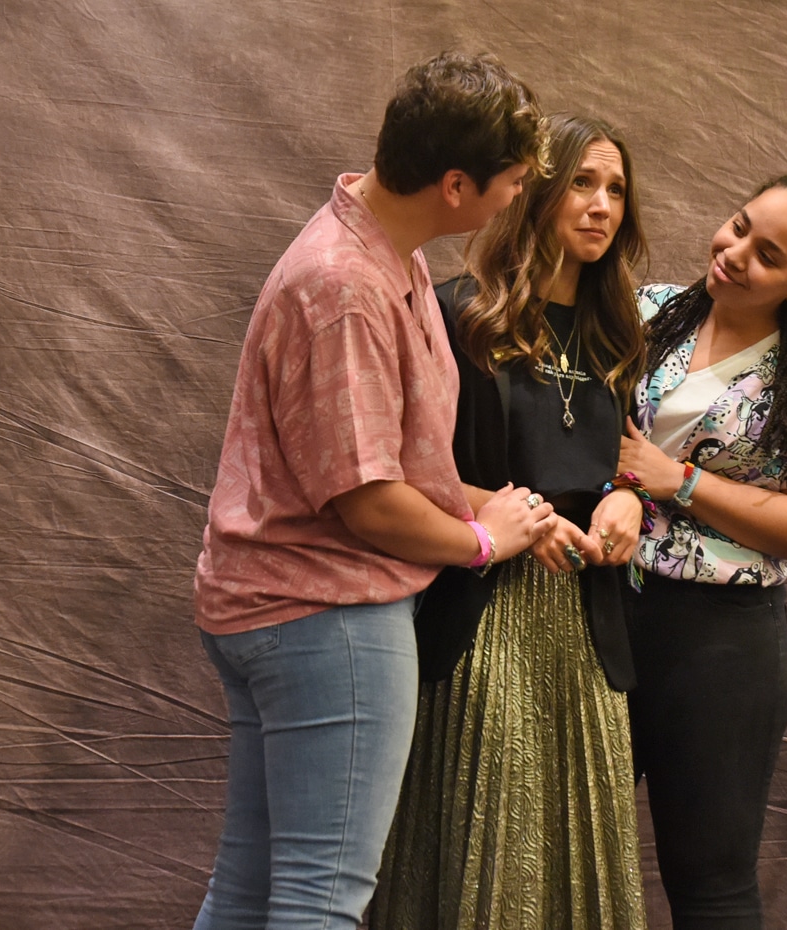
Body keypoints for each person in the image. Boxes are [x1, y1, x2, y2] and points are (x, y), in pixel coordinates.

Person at [190, 53, 554, 930]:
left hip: (278, 614)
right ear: (458, 185)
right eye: (512, 183)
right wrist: (481, 542)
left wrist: (506, 512)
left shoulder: (388, 252)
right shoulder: (347, 285)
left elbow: (402, 466)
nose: (517, 200)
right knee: (322, 901)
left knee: (245, 894)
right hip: (326, 618)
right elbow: (367, 502)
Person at [371, 113, 650, 930]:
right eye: (584, 184)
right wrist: (516, 514)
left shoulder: (618, 336)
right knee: (492, 848)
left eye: (618, 191)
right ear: (536, 193)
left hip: (588, 625)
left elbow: (630, 463)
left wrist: (627, 498)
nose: (602, 207)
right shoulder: (461, 317)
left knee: (578, 849)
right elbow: (397, 474)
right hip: (486, 614)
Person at [615, 172, 787, 929]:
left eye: (768, 254)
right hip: (597, 615)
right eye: (738, 225)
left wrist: (680, 480)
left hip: (719, 643)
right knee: (566, 848)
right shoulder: (644, 312)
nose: (733, 253)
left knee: (710, 881)